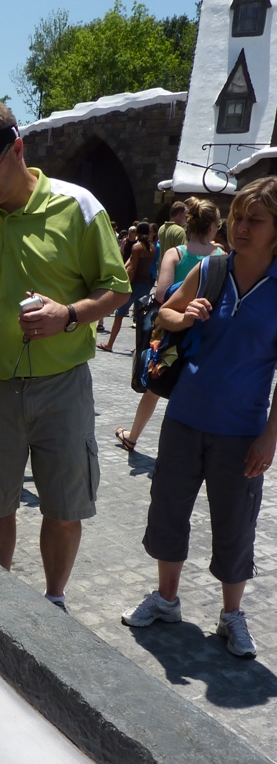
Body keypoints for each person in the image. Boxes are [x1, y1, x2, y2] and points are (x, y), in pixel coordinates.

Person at [0, 101, 130, 611]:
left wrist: (69, 315)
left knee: (64, 506)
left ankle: (54, 601)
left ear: (18, 149)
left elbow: (117, 288)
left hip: (63, 385)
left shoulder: (78, 206)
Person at [121, 177, 277, 658]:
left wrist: (270, 437)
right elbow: (161, 316)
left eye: (255, 220)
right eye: (238, 218)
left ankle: (232, 615)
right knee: (169, 509)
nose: (241, 227)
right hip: (185, 416)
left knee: (235, 524)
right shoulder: (212, 268)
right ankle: (167, 599)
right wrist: (185, 314)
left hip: (242, 429)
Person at [114, 198, 222, 452]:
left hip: (173, 330)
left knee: (155, 386)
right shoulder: (221, 257)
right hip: (205, 332)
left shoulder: (176, 254)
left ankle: (132, 436)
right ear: (212, 227)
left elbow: (162, 294)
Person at [97, 221, 154, 352]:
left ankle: (109, 344)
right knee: (141, 317)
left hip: (135, 284)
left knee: (119, 314)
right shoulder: (152, 247)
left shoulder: (137, 247)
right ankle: (138, 347)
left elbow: (133, 268)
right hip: (146, 284)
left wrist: (126, 285)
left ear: (138, 232)